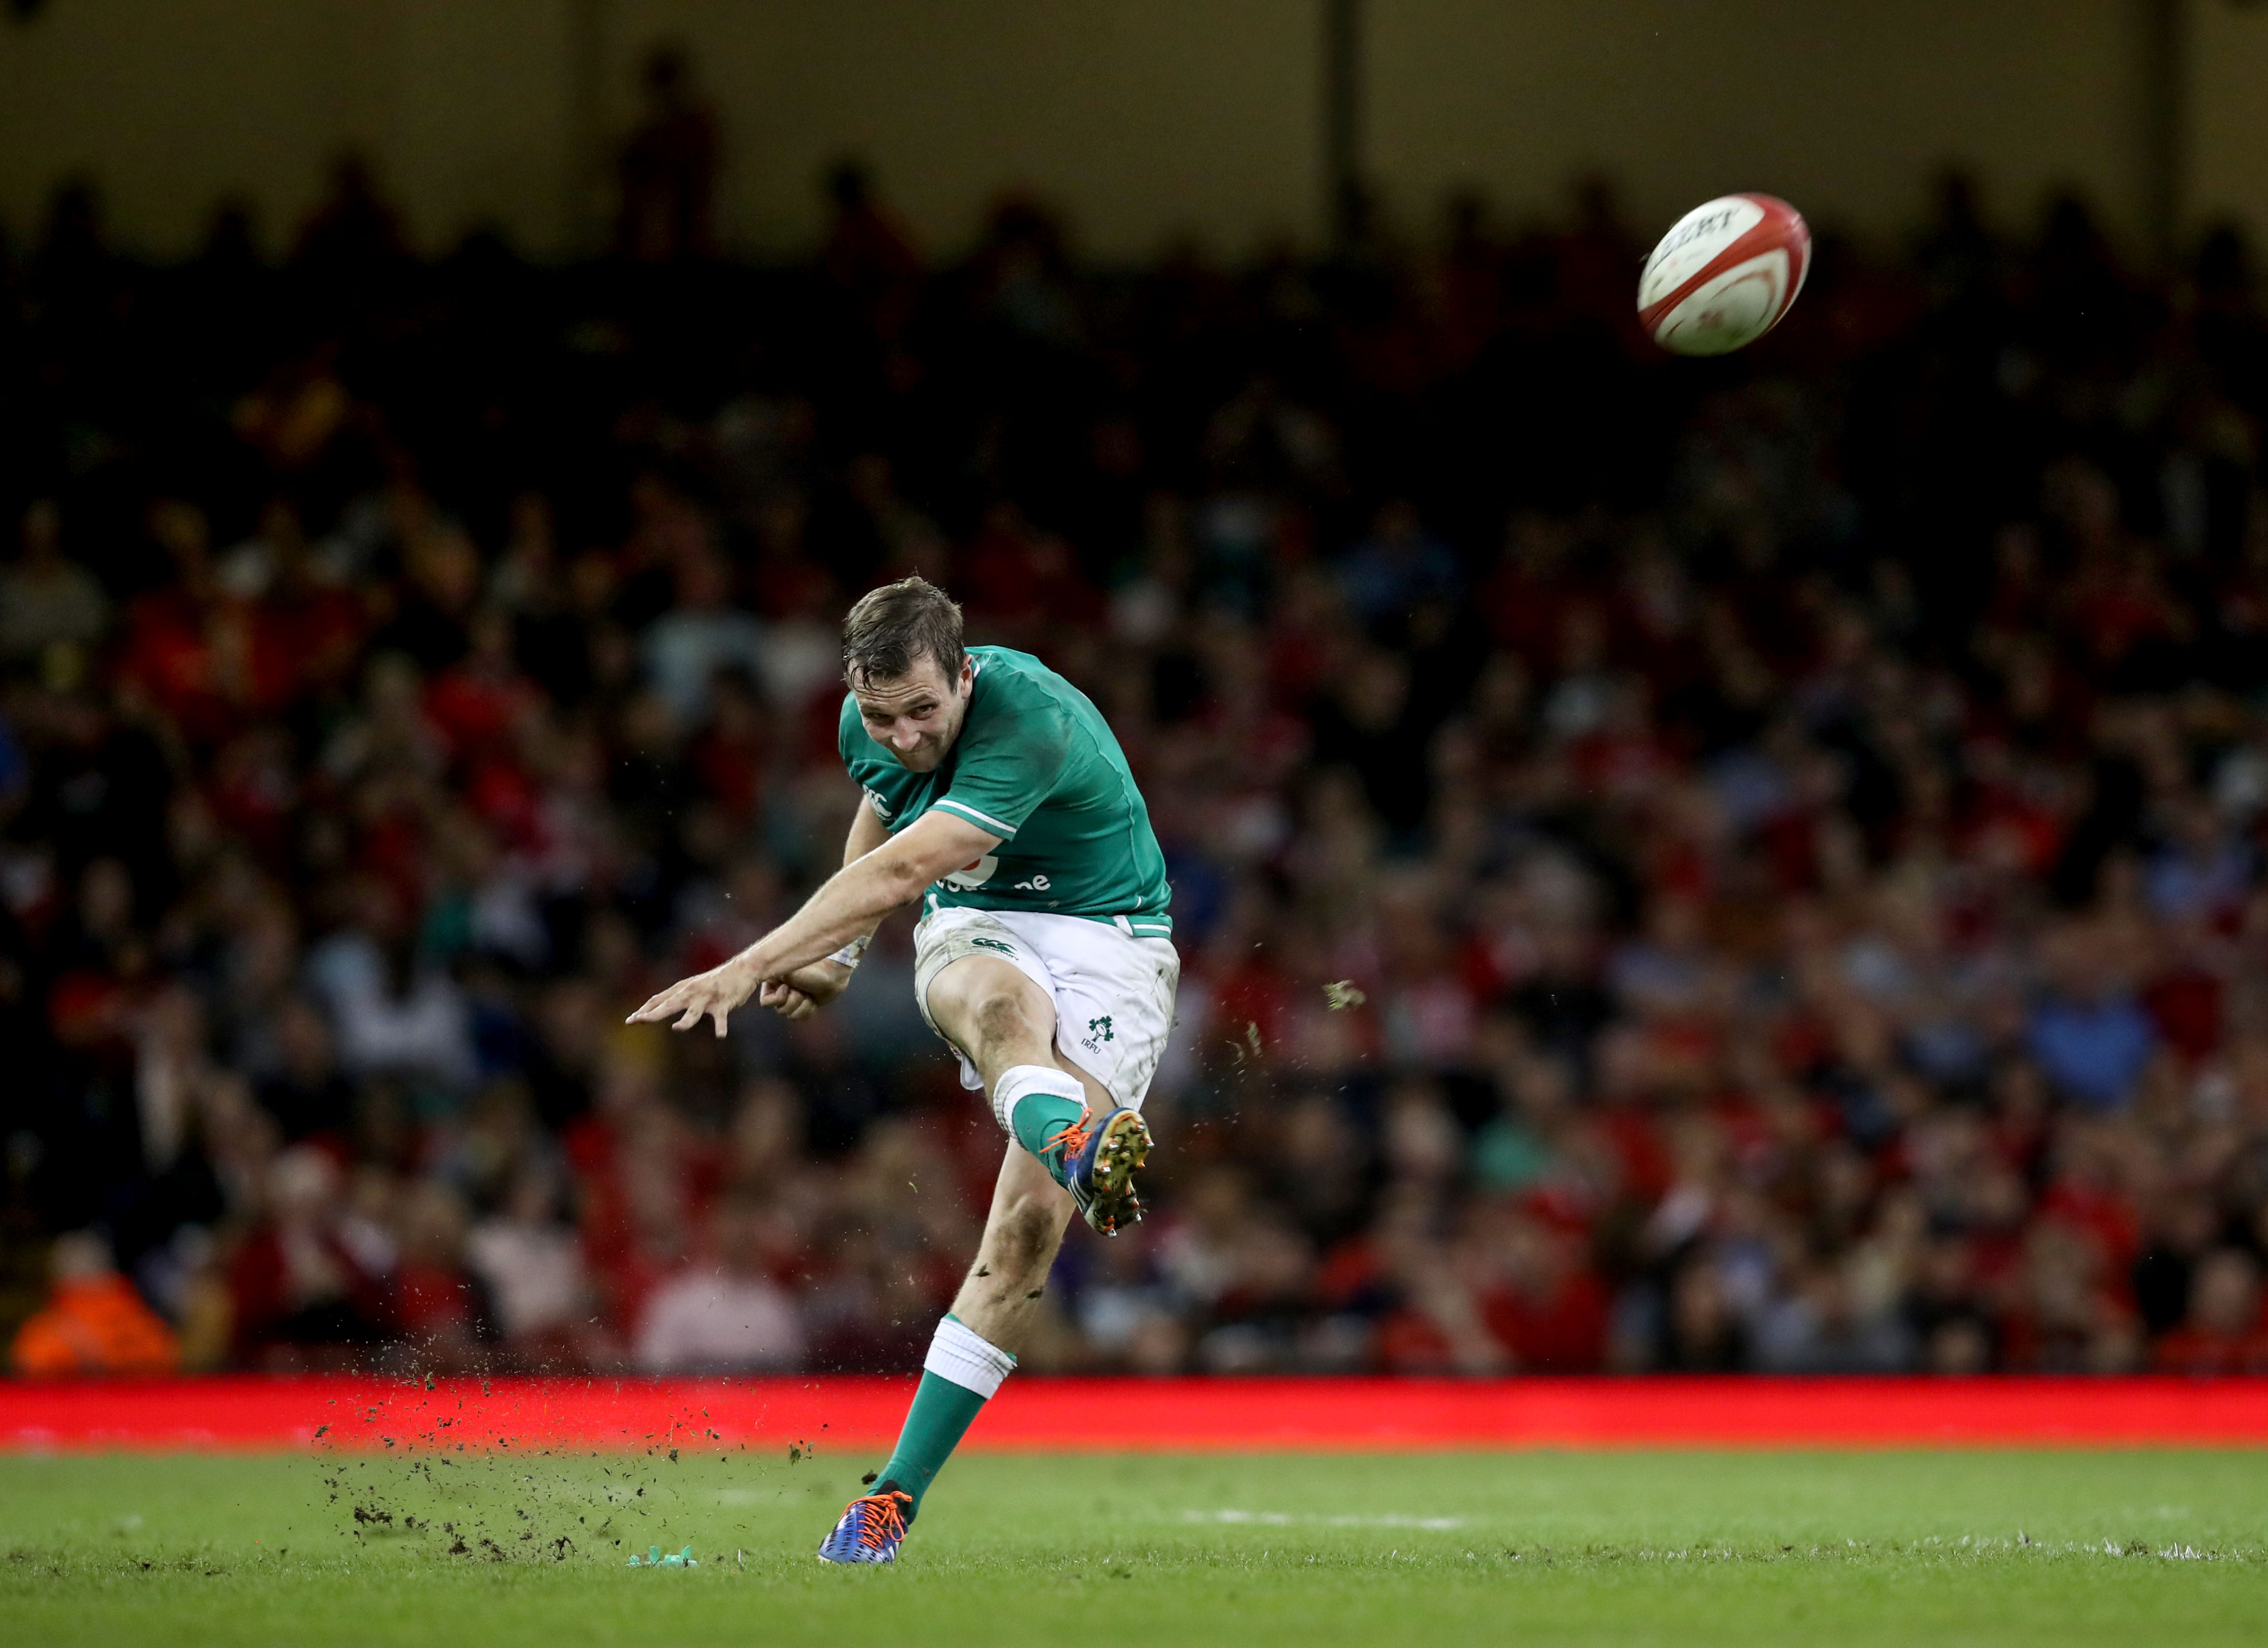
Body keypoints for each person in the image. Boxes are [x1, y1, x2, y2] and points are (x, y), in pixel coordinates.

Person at [630, 574, 1177, 1563]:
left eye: (923, 710)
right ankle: (1063, 1125)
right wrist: (835, 956)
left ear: (964, 676)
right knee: (999, 1008)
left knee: (1018, 1240)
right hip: (979, 920)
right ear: (853, 686)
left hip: (1111, 938)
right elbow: (884, 816)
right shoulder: (866, 723)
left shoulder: (1030, 720)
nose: (903, 734)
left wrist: (747, 963)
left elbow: (896, 868)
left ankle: (896, 1494)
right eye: (880, 713)